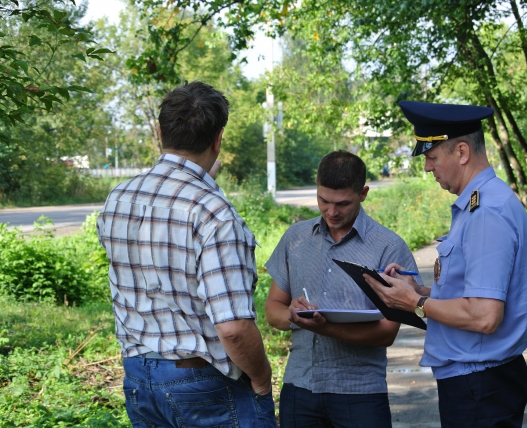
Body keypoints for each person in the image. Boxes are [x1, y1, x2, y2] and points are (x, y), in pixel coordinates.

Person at [96, 81, 276, 428]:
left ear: (160, 131)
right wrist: (262, 378)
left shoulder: (118, 198)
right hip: (203, 384)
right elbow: (234, 328)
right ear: (218, 139)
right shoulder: (214, 213)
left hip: (139, 377)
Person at [365, 101, 527, 428]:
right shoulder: (480, 205)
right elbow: (476, 294)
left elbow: (485, 316)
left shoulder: (486, 213)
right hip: (479, 382)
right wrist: (421, 289)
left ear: (461, 152)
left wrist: (416, 302)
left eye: (431, 157)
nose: (428, 168)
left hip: (479, 385)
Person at [264, 150, 422, 428]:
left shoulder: (388, 246)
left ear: (363, 193)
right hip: (300, 387)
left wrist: (322, 327)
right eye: (323, 200)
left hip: (360, 393)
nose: (331, 211)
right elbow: (272, 310)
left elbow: (387, 333)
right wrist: (291, 314)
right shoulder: (295, 238)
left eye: (343, 203)